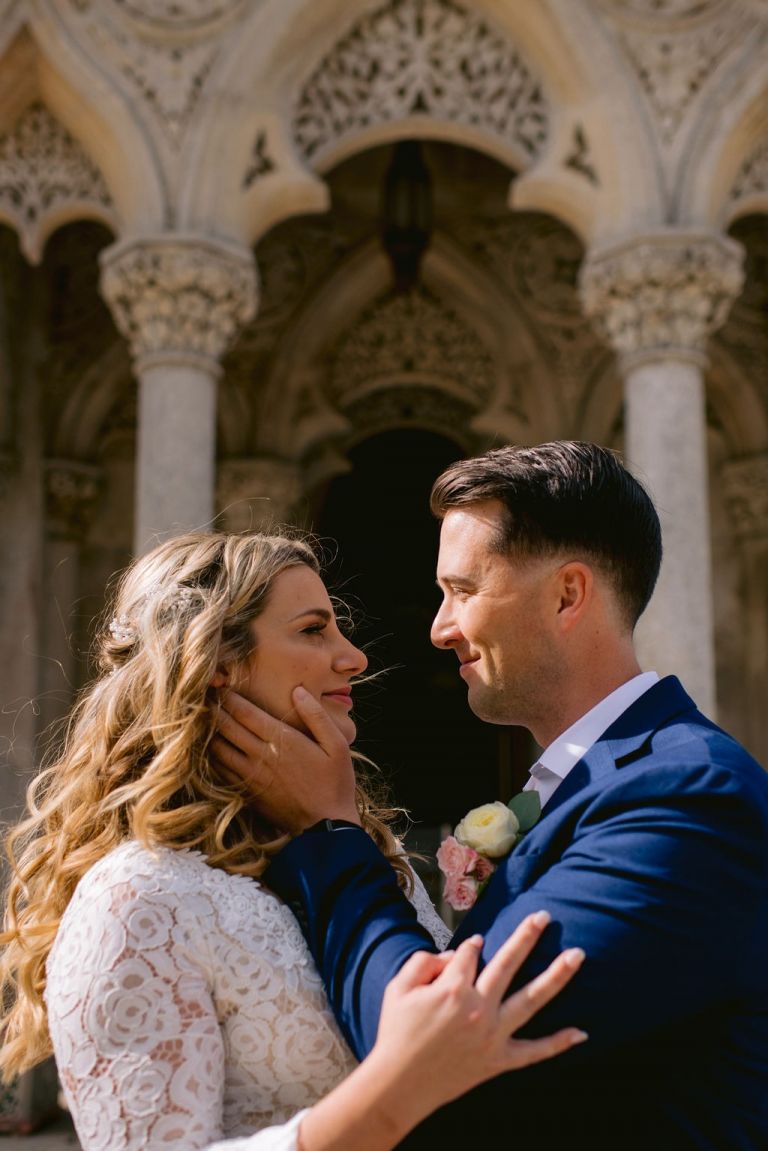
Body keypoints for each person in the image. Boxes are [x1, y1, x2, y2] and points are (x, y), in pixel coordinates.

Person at [213, 442, 768, 1151]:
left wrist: (329, 830)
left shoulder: (688, 795)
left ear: (568, 594)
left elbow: (436, 1066)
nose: (439, 627)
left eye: (464, 591)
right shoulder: (593, 783)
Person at [0, 530, 588, 1151]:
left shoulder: (370, 852)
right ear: (216, 662)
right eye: (313, 630)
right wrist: (397, 1093)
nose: (354, 657)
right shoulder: (135, 897)